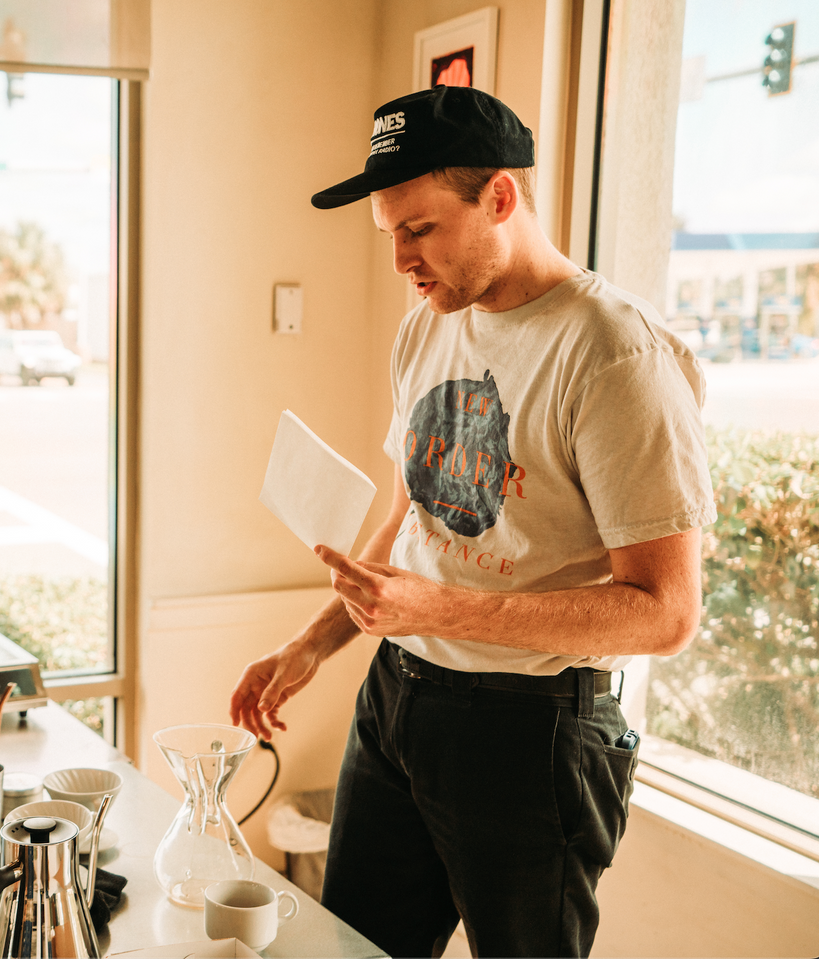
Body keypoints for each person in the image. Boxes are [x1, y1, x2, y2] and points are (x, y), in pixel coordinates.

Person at [229, 86, 714, 958]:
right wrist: (312, 642)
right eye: (389, 235)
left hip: (532, 732)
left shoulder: (612, 353)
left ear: (499, 196)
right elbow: (416, 518)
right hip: (398, 701)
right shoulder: (427, 328)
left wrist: (439, 609)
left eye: (419, 229)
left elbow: (666, 612)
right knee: (352, 950)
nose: (402, 260)